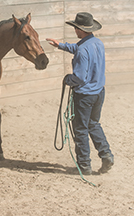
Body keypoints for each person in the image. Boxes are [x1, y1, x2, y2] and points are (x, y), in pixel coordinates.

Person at [46, 12, 114, 175]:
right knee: (93, 124)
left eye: (76, 28)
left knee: (81, 130)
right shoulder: (97, 43)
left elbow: (80, 78)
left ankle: (84, 166)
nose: (75, 30)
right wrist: (61, 45)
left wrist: (68, 79)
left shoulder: (82, 50)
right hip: (98, 92)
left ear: (79, 29)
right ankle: (106, 155)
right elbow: (78, 48)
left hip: (84, 96)